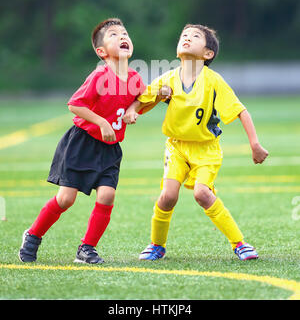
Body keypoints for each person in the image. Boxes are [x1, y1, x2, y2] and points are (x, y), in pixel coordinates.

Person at [123, 24, 269, 261]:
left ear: (208, 53)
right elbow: (141, 99)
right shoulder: (168, 79)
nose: (187, 38)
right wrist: (132, 111)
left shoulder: (213, 81)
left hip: (206, 150)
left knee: (202, 194)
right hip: (176, 147)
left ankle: (239, 243)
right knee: (168, 196)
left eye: (195, 36)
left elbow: (241, 111)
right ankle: (156, 245)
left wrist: (254, 144)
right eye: (184, 35)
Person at [19, 18, 145, 264]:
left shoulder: (134, 77)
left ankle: (86, 248)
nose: (122, 37)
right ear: (101, 52)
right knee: (66, 199)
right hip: (81, 144)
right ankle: (33, 235)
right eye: (113, 35)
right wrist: (102, 122)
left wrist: (133, 108)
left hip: (110, 149)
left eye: (124, 33)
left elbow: (142, 97)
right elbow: (75, 104)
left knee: (107, 195)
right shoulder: (100, 76)